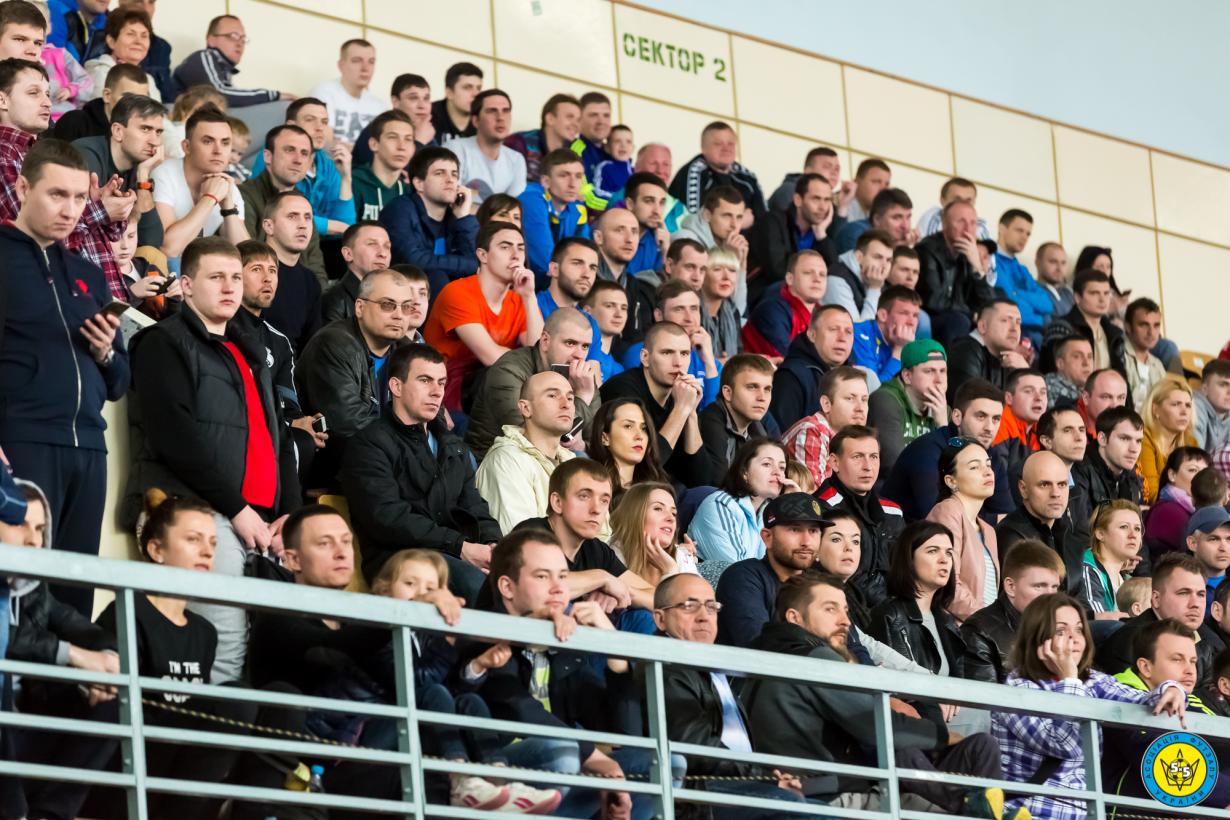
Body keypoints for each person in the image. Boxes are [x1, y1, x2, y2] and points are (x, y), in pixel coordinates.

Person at [124, 237, 300, 682]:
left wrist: (289, 515)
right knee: (225, 652)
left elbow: (279, 438)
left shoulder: (249, 350)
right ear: (185, 284)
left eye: (236, 277)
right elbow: (173, 435)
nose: (229, 287)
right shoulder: (162, 341)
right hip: (196, 510)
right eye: (216, 277)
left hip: (260, 520)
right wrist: (237, 509)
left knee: (273, 652)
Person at [747, 571, 1011, 818]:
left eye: (846, 610)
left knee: (980, 746)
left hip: (849, 786)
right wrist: (939, 735)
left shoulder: (771, 657)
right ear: (794, 618)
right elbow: (874, 724)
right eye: (830, 609)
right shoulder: (814, 658)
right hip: (831, 794)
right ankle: (976, 807)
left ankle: (982, 807)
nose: (845, 620)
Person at [0, 138, 128, 615]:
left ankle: (74, 667)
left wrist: (105, 353)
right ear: (22, 188)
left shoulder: (87, 274)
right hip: (22, 440)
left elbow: (119, 382)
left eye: (78, 197)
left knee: (74, 593)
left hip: (89, 449)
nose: (70, 210)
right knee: (19, 593)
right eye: (57, 195)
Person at [481, 529, 649, 820]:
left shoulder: (562, 646)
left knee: (660, 764)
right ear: (507, 587)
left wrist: (615, 648)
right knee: (562, 751)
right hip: (496, 770)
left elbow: (625, 735)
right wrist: (593, 756)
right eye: (542, 576)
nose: (560, 589)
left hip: (565, 769)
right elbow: (516, 706)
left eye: (563, 576)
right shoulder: (483, 633)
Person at [991, 592, 1188, 820]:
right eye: (1061, 631)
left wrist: (1172, 689)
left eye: (1079, 630)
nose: (1074, 638)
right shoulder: (1017, 688)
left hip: (1083, 813)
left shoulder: (1093, 680)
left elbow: (1142, 700)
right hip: (1029, 811)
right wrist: (1070, 679)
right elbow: (1067, 744)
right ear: (1037, 639)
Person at [340, 343, 501, 602]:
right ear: (396, 386)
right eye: (425, 380)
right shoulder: (369, 444)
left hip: (454, 553)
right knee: (478, 585)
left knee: (515, 581)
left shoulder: (454, 446)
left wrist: (493, 545)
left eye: (441, 382)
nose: (437, 392)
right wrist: (460, 546)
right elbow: (388, 518)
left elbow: (476, 508)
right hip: (400, 560)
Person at [3, 478, 119, 820]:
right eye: (19, 524)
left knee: (111, 702)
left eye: (40, 529)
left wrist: (108, 663)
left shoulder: (35, 591)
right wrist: (75, 656)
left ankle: (50, 815)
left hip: (25, 734)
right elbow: (8, 637)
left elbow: (86, 630)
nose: (33, 540)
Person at [652, 573, 810, 818]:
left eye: (711, 606)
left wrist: (771, 775)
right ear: (660, 619)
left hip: (732, 784)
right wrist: (763, 777)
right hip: (698, 793)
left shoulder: (716, 668)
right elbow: (694, 745)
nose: (704, 616)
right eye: (689, 606)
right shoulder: (665, 668)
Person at [295, 268, 413, 471]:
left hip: (390, 456)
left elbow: (433, 416)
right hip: (339, 467)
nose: (399, 315)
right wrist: (412, 447)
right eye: (388, 305)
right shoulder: (333, 345)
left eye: (407, 307)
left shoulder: (408, 351)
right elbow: (349, 426)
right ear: (359, 307)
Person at [421, 221, 543, 414]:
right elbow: (491, 357)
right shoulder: (458, 292)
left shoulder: (520, 299)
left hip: (488, 390)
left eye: (520, 248)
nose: (516, 255)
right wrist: (529, 360)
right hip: (442, 392)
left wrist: (529, 297)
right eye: (505, 247)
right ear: (482, 255)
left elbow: (540, 354)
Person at [513, 458, 658, 612]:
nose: (596, 509)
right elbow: (538, 587)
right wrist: (602, 578)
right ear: (557, 502)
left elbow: (658, 599)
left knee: (641, 617)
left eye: (604, 500)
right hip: (518, 625)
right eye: (584, 496)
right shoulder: (531, 534)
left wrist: (617, 590)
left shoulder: (597, 550)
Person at [465, 307, 601, 461]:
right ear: (545, 341)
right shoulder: (509, 370)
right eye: (570, 343)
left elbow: (599, 442)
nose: (579, 355)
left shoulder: (581, 378)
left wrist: (583, 446)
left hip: (552, 461)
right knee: (579, 459)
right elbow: (530, 436)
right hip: (498, 461)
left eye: (585, 346)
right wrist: (582, 398)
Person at [882, 378, 1011, 522]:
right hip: (907, 534)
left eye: (996, 419)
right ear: (957, 417)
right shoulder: (927, 451)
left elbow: (1006, 516)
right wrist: (993, 520)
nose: (989, 428)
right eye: (981, 416)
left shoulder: (990, 454)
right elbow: (937, 517)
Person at [599, 323, 711, 488]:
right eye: (667, 353)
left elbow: (701, 479)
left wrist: (691, 413)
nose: (678, 363)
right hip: (622, 488)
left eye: (684, 353)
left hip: (661, 489)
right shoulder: (622, 390)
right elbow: (643, 464)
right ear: (645, 357)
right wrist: (681, 410)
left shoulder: (680, 396)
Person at [715, 492, 828, 646]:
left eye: (813, 531)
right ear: (767, 537)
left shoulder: (822, 585)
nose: (806, 542)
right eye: (795, 530)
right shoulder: (742, 578)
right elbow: (761, 647)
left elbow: (850, 645)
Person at [1096, 552, 1224, 687]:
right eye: (1184, 593)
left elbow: (1213, 695)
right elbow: (1133, 697)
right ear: (1156, 599)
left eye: (1201, 594)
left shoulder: (1206, 640)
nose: (1195, 604)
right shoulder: (1130, 643)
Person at [476, 371, 579, 533]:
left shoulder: (572, 463)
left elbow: (601, 532)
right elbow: (521, 537)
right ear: (525, 408)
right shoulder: (507, 460)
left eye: (570, 398)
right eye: (552, 396)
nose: (566, 404)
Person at [815, 425, 903, 607]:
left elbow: (904, 572)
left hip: (890, 610)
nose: (868, 467)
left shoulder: (893, 511)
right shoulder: (822, 509)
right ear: (834, 462)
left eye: (874, 457)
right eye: (857, 457)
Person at [249, 97, 355, 241]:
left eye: (324, 122)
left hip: (316, 244)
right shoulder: (273, 155)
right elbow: (271, 212)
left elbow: (345, 227)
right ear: (290, 126)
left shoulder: (330, 164)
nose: (320, 128)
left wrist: (346, 178)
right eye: (310, 120)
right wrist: (330, 226)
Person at [151, 103, 248, 258]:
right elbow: (168, 249)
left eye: (225, 143)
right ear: (186, 147)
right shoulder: (163, 174)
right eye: (208, 141)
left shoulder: (229, 187)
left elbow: (246, 256)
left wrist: (228, 207)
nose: (218, 150)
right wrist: (210, 198)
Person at [379, 145, 478, 297]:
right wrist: (471, 265)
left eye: (454, 174)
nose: (450, 180)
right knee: (436, 277)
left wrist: (463, 217)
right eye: (440, 173)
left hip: (448, 295)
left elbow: (479, 259)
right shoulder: (399, 209)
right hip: (403, 293)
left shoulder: (456, 217)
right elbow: (413, 260)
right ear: (419, 183)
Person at [962, 540, 1064, 683]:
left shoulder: (1060, 629)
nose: (1050, 596)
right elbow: (984, 696)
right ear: (1011, 587)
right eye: (1039, 586)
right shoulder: (979, 632)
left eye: (1054, 587)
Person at [237, 122, 328, 281]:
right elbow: (247, 260)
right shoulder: (242, 196)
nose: (298, 160)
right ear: (268, 156)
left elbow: (316, 268)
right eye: (289, 150)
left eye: (304, 153)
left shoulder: (302, 203)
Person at [72, 91, 164, 249]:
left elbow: (151, 241)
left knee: (152, 255)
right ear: (117, 131)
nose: (155, 141)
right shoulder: (85, 155)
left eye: (158, 132)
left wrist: (143, 176)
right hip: (79, 251)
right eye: (145, 129)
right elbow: (77, 228)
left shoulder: (139, 167)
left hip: (116, 252)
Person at [925, 438, 1001, 622]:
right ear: (951, 481)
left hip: (979, 628)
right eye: (974, 467)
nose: (987, 472)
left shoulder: (988, 530)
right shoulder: (947, 511)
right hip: (957, 628)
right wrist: (987, 622)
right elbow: (948, 584)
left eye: (988, 465)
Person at [688, 438, 795, 565]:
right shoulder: (721, 505)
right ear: (744, 472)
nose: (777, 472)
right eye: (767, 464)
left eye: (782, 467)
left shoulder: (768, 511)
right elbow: (738, 569)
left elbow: (791, 561)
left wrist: (791, 509)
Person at [618, 280, 720, 406]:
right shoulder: (640, 353)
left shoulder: (710, 362)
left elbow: (715, 413)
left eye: (694, 309)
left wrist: (709, 362)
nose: (689, 318)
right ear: (659, 315)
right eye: (679, 309)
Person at [914, 200, 994, 345]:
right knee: (959, 321)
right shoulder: (926, 250)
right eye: (961, 222)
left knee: (991, 326)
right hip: (929, 317)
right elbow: (933, 302)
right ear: (944, 224)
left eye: (973, 223)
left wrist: (977, 267)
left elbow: (988, 304)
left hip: (957, 318)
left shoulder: (969, 253)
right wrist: (971, 313)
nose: (968, 229)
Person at [748, 171, 836, 298]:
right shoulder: (773, 222)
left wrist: (821, 234)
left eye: (827, 200)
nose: (823, 207)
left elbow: (833, 273)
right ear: (798, 200)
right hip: (766, 296)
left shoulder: (823, 228)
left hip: (803, 296)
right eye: (816, 199)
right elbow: (777, 272)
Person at [170, 14, 290, 107]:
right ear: (211, 40)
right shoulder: (204, 57)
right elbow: (217, 95)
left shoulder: (223, 67)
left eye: (243, 38)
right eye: (233, 36)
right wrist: (275, 95)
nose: (240, 43)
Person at [868, 338, 948, 473]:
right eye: (929, 371)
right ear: (907, 376)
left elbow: (955, 467)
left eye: (943, 371)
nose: (939, 380)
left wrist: (943, 425)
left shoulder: (942, 409)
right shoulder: (886, 400)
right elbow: (895, 464)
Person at [768, 304, 854, 429]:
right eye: (833, 329)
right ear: (812, 335)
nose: (842, 338)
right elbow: (782, 436)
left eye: (848, 332)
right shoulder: (791, 376)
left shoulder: (854, 380)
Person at [781, 366, 869, 488]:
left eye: (864, 400)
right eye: (850, 398)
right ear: (826, 404)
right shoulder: (812, 431)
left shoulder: (854, 440)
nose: (860, 408)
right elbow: (814, 494)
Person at [1070, 406, 1145, 547]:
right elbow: (1081, 534)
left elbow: (1139, 537)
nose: (1134, 449)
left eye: (1138, 441)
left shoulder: (1132, 478)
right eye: (1124, 439)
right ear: (1102, 439)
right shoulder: (1079, 471)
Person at [698, 353, 778, 480]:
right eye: (752, 387)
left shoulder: (757, 428)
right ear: (728, 393)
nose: (762, 397)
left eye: (767, 389)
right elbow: (718, 482)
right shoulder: (710, 421)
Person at [997, 451, 1077, 573]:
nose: (1056, 493)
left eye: (1062, 484)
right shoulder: (1011, 538)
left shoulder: (1066, 532)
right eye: (1044, 485)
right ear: (1023, 489)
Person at [669, 119, 765, 221]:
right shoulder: (693, 174)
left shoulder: (746, 176)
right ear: (703, 148)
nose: (726, 149)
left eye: (730, 144)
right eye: (718, 144)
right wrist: (739, 221)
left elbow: (765, 218)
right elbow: (693, 222)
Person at [608, 482, 697, 590]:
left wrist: (670, 570)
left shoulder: (681, 557)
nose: (671, 518)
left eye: (673, 513)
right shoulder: (609, 556)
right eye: (658, 509)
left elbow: (697, 600)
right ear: (635, 514)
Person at [1042, 269, 1127, 383]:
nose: (1102, 299)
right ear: (1077, 297)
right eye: (1094, 293)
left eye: (1106, 293)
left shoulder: (1115, 333)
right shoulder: (1061, 328)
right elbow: (1053, 373)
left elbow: (1122, 377)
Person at [741, 248, 826, 360]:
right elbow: (789, 361)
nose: (817, 279)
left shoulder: (823, 314)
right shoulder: (772, 310)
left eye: (822, 274)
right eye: (808, 273)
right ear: (790, 279)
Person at [518, 147, 590, 277]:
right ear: (546, 181)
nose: (573, 184)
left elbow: (587, 256)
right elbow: (546, 261)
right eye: (564, 175)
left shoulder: (578, 209)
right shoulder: (532, 200)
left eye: (578, 176)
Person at [586, 398, 671, 508]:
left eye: (644, 428)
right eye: (628, 426)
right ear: (605, 438)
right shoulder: (591, 486)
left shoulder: (657, 490)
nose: (639, 436)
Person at [450, 88, 526, 204]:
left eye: (506, 111)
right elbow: (452, 201)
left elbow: (514, 207)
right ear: (476, 121)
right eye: (492, 111)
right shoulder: (456, 149)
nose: (500, 118)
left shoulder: (516, 159)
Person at [592, 207, 655, 344]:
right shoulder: (585, 281)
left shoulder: (634, 285)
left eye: (634, 232)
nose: (629, 239)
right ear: (598, 237)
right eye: (619, 230)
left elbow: (635, 339)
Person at [946, 298, 1028, 401]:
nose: (1014, 329)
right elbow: (972, 403)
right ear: (983, 326)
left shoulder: (1011, 360)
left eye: (1018, 322)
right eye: (1005, 320)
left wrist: (1026, 372)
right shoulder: (965, 351)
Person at [1071, 500, 1142, 619]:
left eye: (1137, 529)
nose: (1133, 535)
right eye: (1123, 527)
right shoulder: (1087, 572)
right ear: (1100, 534)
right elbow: (1100, 625)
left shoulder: (1126, 579)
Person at [991, 209, 1052, 344]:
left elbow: (1047, 304)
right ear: (1002, 228)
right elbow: (1008, 303)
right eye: (1019, 230)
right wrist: (1039, 319)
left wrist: (1016, 292)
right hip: (1004, 336)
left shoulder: (1022, 269)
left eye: (1028, 233)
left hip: (1031, 336)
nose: (1024, 237)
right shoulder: (990, 259)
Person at [307, 38, 382, 144]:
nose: (365, 68)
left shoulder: (379, 106)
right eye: (357, 60)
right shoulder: (323, 92)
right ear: (341, 65)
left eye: (371, 62)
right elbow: (324, 142)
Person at [79, 6, 159, 103]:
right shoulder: (100, 73)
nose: (139, 41)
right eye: (131, 34)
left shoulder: (149, 79)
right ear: (111, 41)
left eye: (144, 36)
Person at [352, 72, 433, 166]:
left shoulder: (427, 132)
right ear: (395, 102)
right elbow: (390, 172)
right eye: (413, 98)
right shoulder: (377, 129)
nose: (422, 106)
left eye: (426, 98)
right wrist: (419, 143)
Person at [53, 60, 146, 142]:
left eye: (142, 100)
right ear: (107, 95)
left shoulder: (143, 134)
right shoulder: (75, 122)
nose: (136, 105)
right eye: (128, 97)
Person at [1139, 374, 1197, 503]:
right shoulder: (1143, 440)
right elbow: (1153, 495)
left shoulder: (1191, 443)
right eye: (1176, 404)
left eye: (1188, 405)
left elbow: (1203, 488)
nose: (1184, 412)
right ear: (1155, 409)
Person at [1144, 446, 1211, 559]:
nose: (1202, 477)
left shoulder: (1197, 510)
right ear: (1172, 475)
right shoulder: (1167, 511)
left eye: (1205, 472)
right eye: (1193, 470)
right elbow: (1204, 554)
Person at [321, 221, 391, 324]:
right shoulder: (333, 301)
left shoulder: (395, 298)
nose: (383, 254)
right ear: (348, 254)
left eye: (387, 246)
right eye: (372, 244)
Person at [849, 285, 920, 383]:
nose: (911, 322)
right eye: (904, 313)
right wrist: (899, 351)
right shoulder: (858, 335)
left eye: (915, 315)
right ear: (883, 315)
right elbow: (872, 389)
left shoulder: (909, 342)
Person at [351, 111, 414, 221]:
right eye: (392, 137)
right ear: (374, 144)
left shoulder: (411, 192)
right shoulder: (352, 182)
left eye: (408, 139)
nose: (402, 146)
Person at [503, 91, 578, 181]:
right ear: (550, 119)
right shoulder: (519, 142)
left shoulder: (576, 150)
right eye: (570, 117)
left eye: (578, 120)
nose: (576, 124)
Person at [834, 186, 913, 256]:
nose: (905, 226)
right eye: (897, 218)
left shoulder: (895, 242)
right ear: (877, 220)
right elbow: (866, 268)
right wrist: (897, 250)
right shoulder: (856, 234)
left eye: (908, 217)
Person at [1122, 297, 1166, 408]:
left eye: (1156, 325)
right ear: (1128, 327)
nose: (1151, 332)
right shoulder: (1118, 357)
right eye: (1144, 325)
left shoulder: (1158, 365)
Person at [1185, 505, 1230, 608]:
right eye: (1214, 539)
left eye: (1229, 539)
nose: (1224, 548)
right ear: (1192, 543)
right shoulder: (1177, 586)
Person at [583, 279, 628, 379]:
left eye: (624, 308)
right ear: (587, 311)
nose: (619, 314)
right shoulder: (578, 356)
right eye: (609, 306)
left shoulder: (619, 370)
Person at [431, 61, 481, 144]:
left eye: (478, 88)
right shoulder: (429, 117)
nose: (476, 94)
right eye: (467, 87)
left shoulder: (483, 121)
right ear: (449, 93)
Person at [1044, 335, 1094, 410]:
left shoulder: (1092, 388)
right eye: (1077, 356)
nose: (1086, 363)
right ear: (1060, 363)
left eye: (1089, 357)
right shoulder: (1048, 388)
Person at [841, 157, 890, 224]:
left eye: (886, 184)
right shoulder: (837, 208)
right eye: (876, 182)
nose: (883, 189)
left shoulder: (879, 214)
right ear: (857, 182)